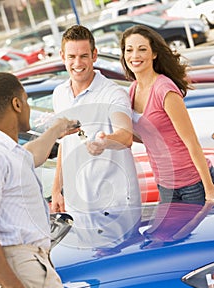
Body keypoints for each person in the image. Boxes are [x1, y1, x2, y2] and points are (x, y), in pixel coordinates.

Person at [0, 72, 89, 288]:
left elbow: (32, 155)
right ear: (17, 104)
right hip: (16, 269)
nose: (28, 108)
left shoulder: (1, 149)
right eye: (27, 101)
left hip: (6, 271)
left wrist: (55, 130)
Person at [51, 25, 141, 226]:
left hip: (116, 205)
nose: (77, 63)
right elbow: (63, 145)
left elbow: (125, 135)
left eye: (84, 56)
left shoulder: (113, 93)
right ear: (62, 56)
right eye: (71, 56)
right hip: (78, 206)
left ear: (94, 55)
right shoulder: (59, 94)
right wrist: (56, 190)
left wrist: (104, 141)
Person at [120, 24, 214, 204]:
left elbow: (191, 142)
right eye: (129, 50)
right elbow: (148, 136)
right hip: (165, 185)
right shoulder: (133, 90)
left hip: (193, 184)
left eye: (142, 49)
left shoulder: (164, 89)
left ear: (154, 53)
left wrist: (209, 189)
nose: (134, 56)